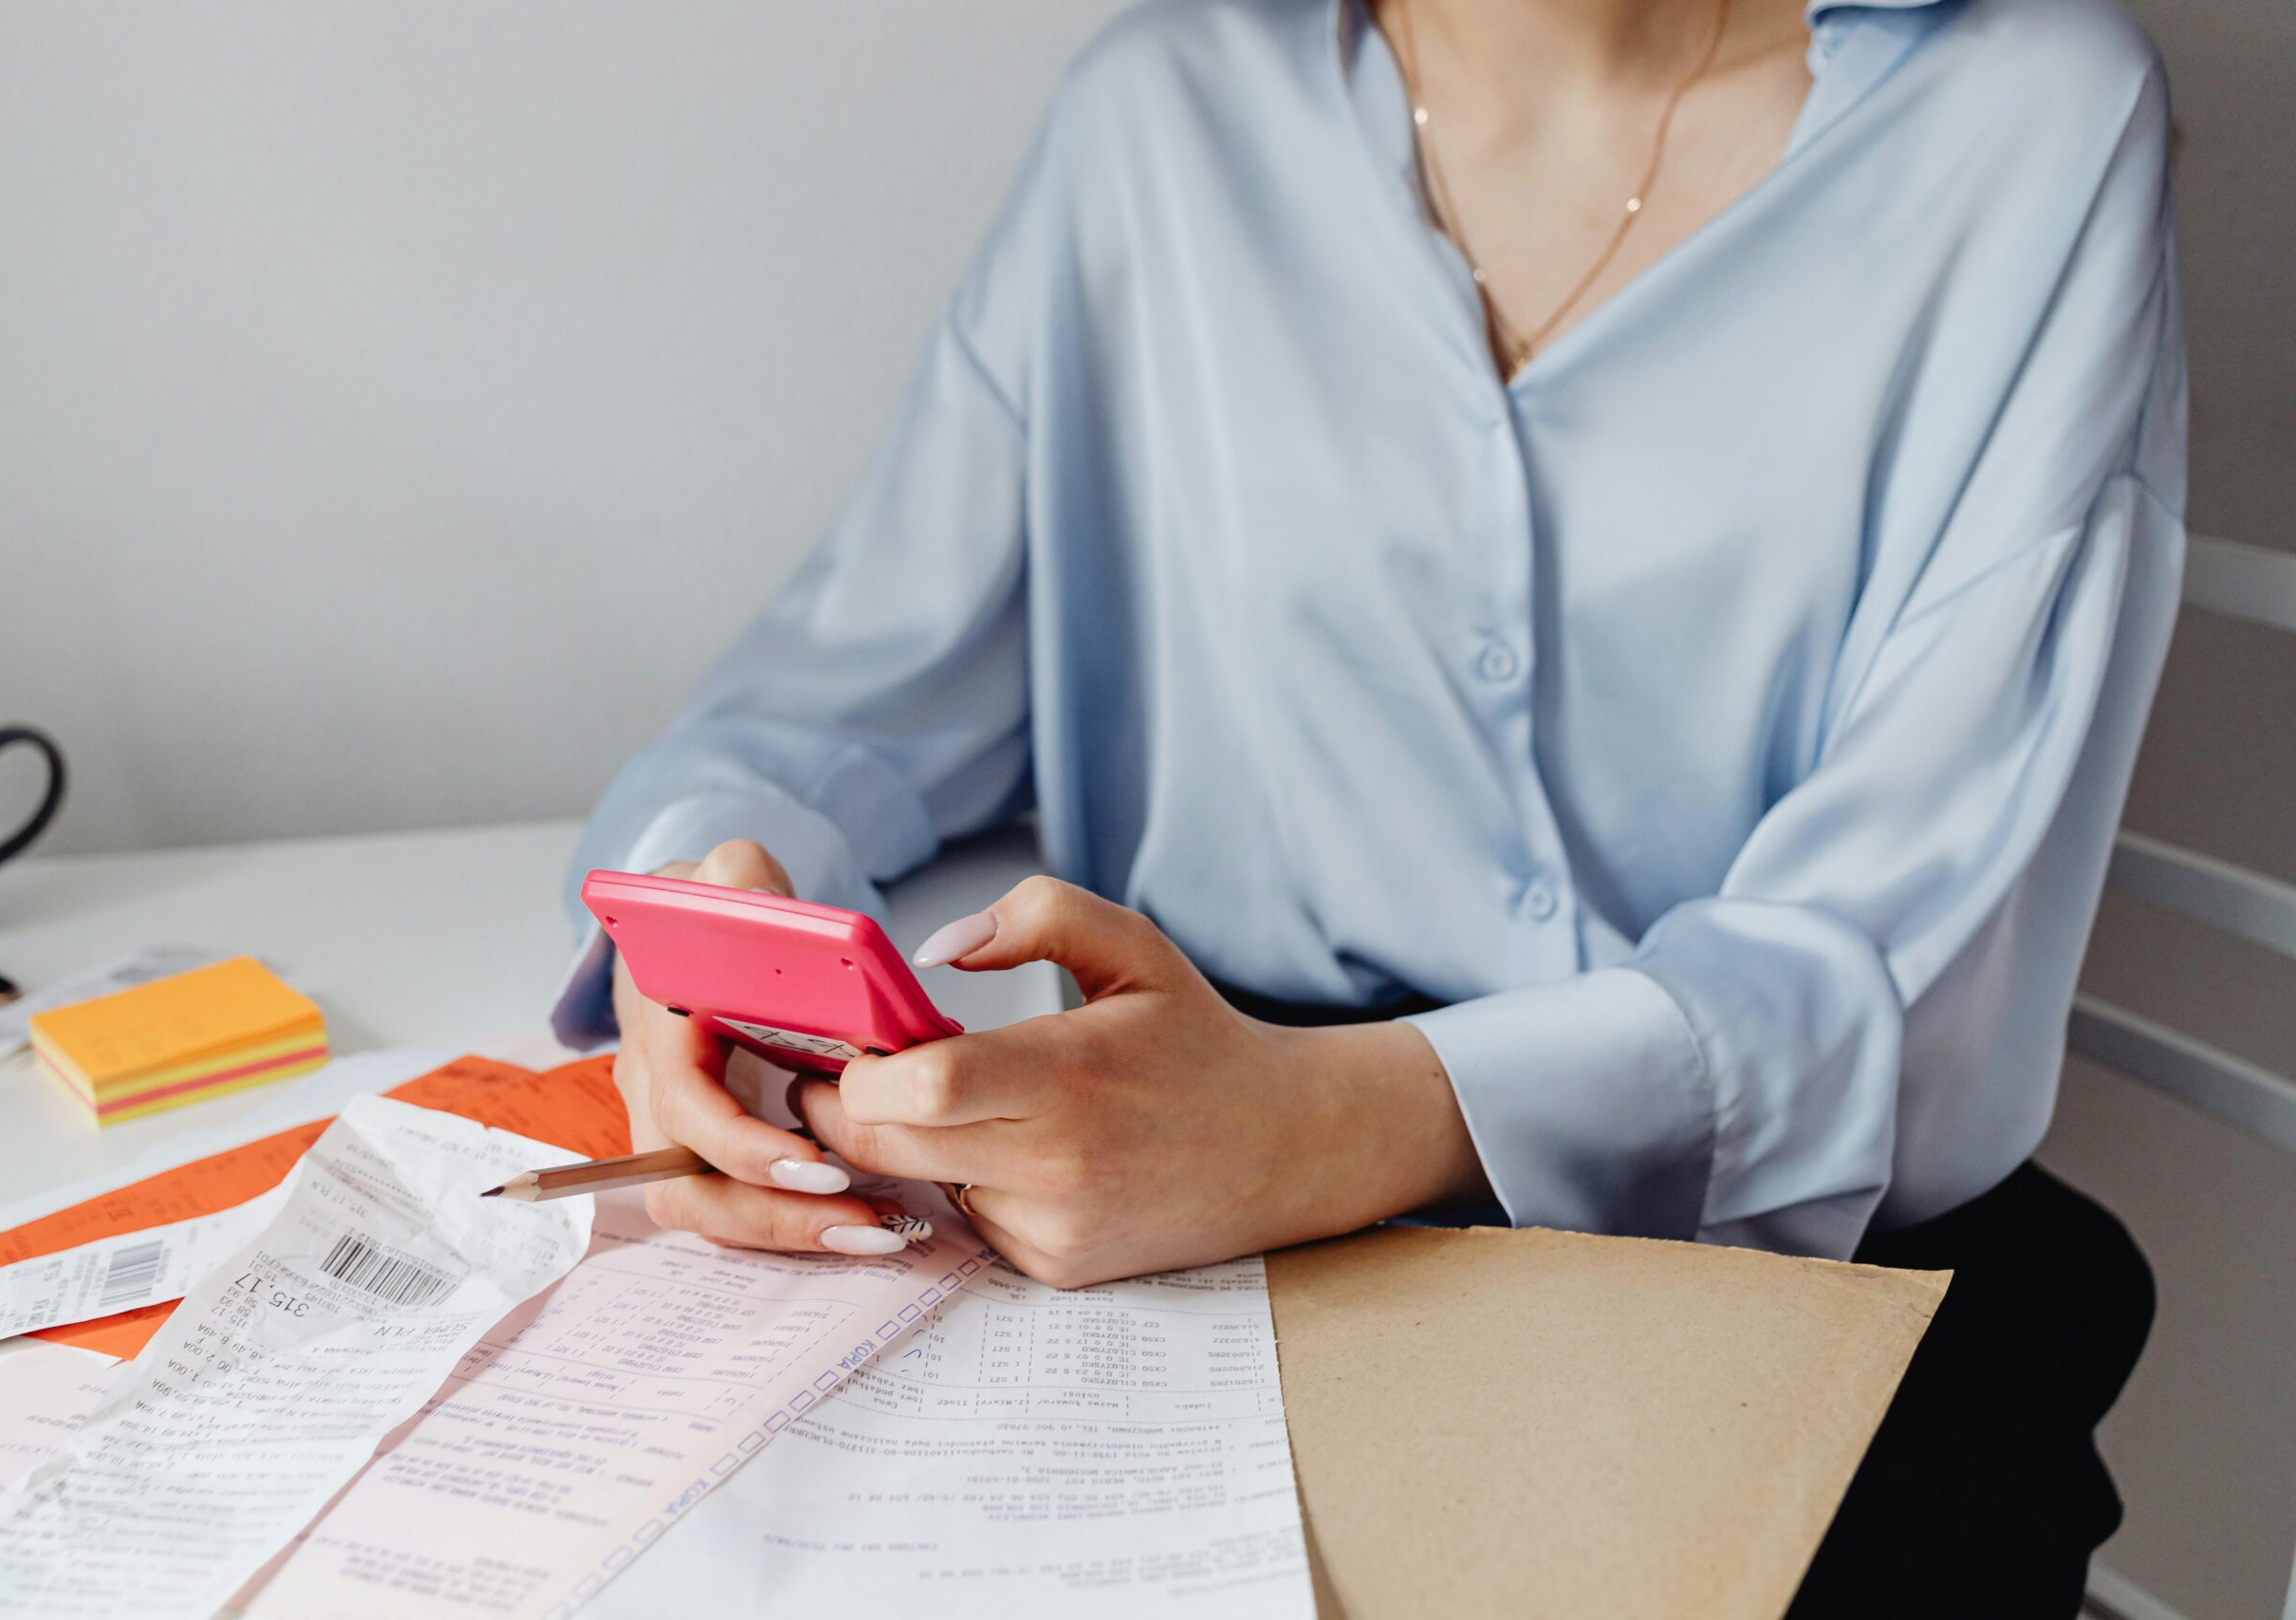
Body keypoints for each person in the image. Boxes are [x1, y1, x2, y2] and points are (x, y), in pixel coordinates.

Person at [556, 0, 2182, 1609]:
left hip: (1773, 1243)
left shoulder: (2029, 116)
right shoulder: (1162, 112)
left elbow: (1911, 958)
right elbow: (830, 702)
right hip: (1157, 1210)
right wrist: (698, 933)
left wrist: (1314, 1126)